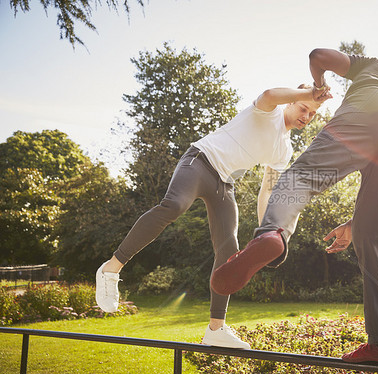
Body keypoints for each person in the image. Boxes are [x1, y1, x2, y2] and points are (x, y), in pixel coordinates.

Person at [211, 48, 378, 363]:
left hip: (372, 104)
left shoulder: (375, 68)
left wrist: (318, 82)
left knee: (300, 178)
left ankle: (272, 233)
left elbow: (319, 55)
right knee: (372, 234)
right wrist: (356, 222)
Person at [95, 84, 331, 349]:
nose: (306, 116)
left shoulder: (283, 150)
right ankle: (110, 268)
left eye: (312, 114)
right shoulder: (269, 111)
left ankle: (216, 329)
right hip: (199, 161)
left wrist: (268, 231)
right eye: (303, 108)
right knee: (174, 205)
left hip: (224, 185)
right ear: (291, 102)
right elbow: (268, 95)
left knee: (229, 248)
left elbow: (267, 191)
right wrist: (306, 92)